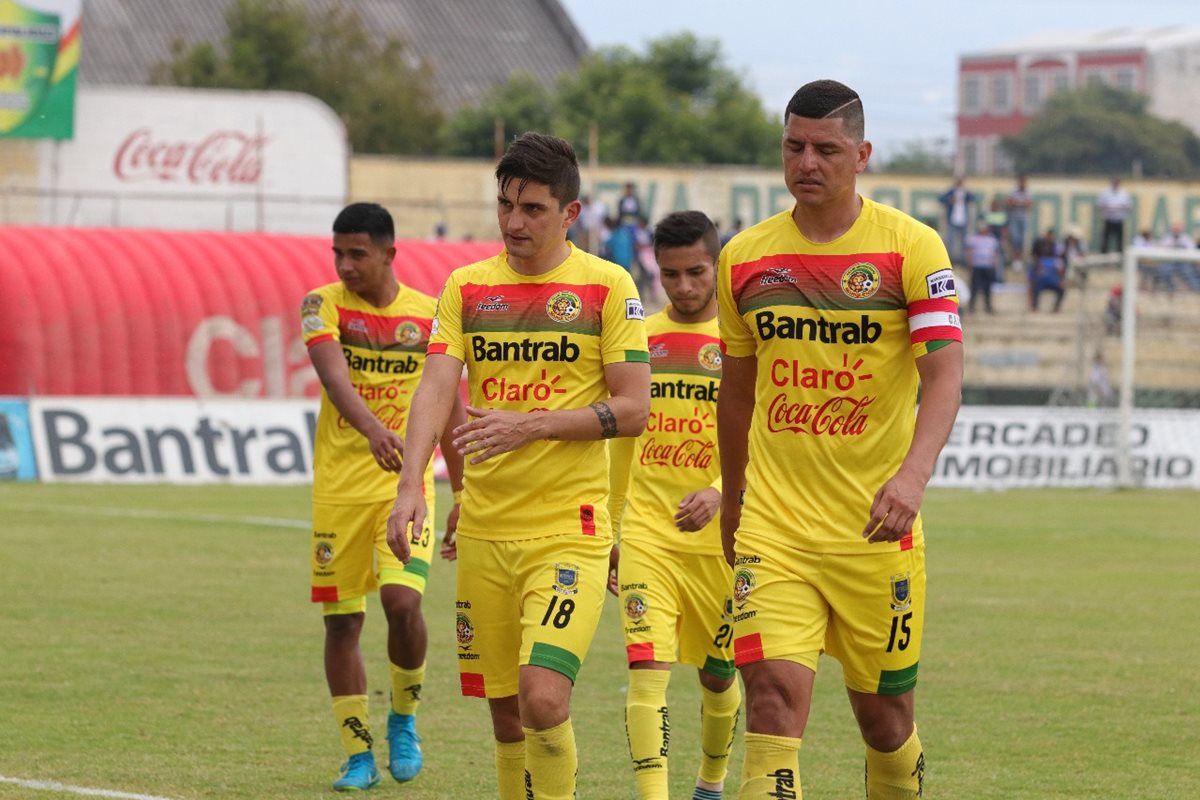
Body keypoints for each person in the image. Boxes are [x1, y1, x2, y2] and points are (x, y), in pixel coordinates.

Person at [716, 79, 963, 799]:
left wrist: (913, 477)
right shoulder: (746, 258)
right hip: (776, 528)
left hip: (875, 533)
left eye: (826, 149)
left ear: (862, 154)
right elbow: (735, 396)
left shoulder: (910, 248)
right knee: (769, 704)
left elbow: (944, 377)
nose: (807, 162)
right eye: (794, 146)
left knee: (885, 723)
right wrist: (735, 501)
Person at [386, 132, 651, 800]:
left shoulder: (607, 286)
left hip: (569, 529)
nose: (513, 222)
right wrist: (412, 486)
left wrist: (530, 426)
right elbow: (436, 389)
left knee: (543, 700)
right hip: (484, 533)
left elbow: (635, 406)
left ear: (570, 213)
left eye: (533, 208)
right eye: (506, 205)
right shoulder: (468, 288)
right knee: (505, 715)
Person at [302, 202, 466, 791]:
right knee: (342, 624)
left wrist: (463, 492)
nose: (345, 265)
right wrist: (374, 430)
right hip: (340, 491)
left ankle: (403, 719)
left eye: (357, 254)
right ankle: (357, 754)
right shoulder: (321, 304)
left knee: (402, 604)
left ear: (389, 254)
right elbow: (333, 377)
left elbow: (449, 404)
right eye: (338, 253)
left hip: (407, 488)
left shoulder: (428, 316)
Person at [608, 210, 740, 800]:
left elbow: (765, 434)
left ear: (717, 264)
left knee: (718, 675)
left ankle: (710, 784)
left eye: (696, 272)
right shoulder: (639, 342)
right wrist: (611, 529)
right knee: (646, 672)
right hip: (646, 535)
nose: (684, 287)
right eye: (670, 274)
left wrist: (718, 490)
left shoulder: (741, 345)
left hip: (722, 538)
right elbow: (616, 444)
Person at [938, 176, 976, 266]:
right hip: (952, 220)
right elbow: (941, 199)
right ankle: (950, 260)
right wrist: (949, 200)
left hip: (963, 221)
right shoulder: (951, 192)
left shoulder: (966, 193)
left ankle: (963, 260)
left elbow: (973, 199)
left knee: (964, 241)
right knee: (950, 240)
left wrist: (966, 190)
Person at [964, 221, 1000, 313]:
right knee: (974, 288)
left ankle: (988, 307)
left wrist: (994, 264)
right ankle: (971, 307)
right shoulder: (973, 238)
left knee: (988, 288)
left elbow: (994, 253)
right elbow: (969, 251)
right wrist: (970, 263)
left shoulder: (991, 239)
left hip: (987, 266)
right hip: (977, 265)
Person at [1030, 227, 1065, 312]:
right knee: (1035, 286)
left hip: (1052, 280)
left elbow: (1059, 268)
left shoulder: (1055, 253)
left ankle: (1056, 308)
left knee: (1061, 289)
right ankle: (1034, 307)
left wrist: (1061, 280)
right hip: (1042, 279)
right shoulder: (1038, 245)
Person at [1096, 177, 1133, 254]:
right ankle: (1103, 255)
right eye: (1114, 182)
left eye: (1117, 182)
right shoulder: (1105, 193)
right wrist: (1109, 208)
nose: (1115, 184)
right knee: (1105, 240)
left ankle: (1120, 256)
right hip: (1108, 219)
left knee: (1119, 240)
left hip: (1119, 219)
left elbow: (1129, 206)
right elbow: (1099, 205)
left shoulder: (1124, 193)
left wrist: (1118, 207)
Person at [1006, 175, 1033, 266]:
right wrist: (1022, 203)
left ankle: (1020, 260)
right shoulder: (1013, 191)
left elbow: (1028, 205)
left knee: (1021, 240)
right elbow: (1010, 203)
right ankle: (1015, 259)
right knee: (1015, 239)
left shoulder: (1028, 192)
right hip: (1014, 218)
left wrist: (1017, 202)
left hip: (1023, 218)